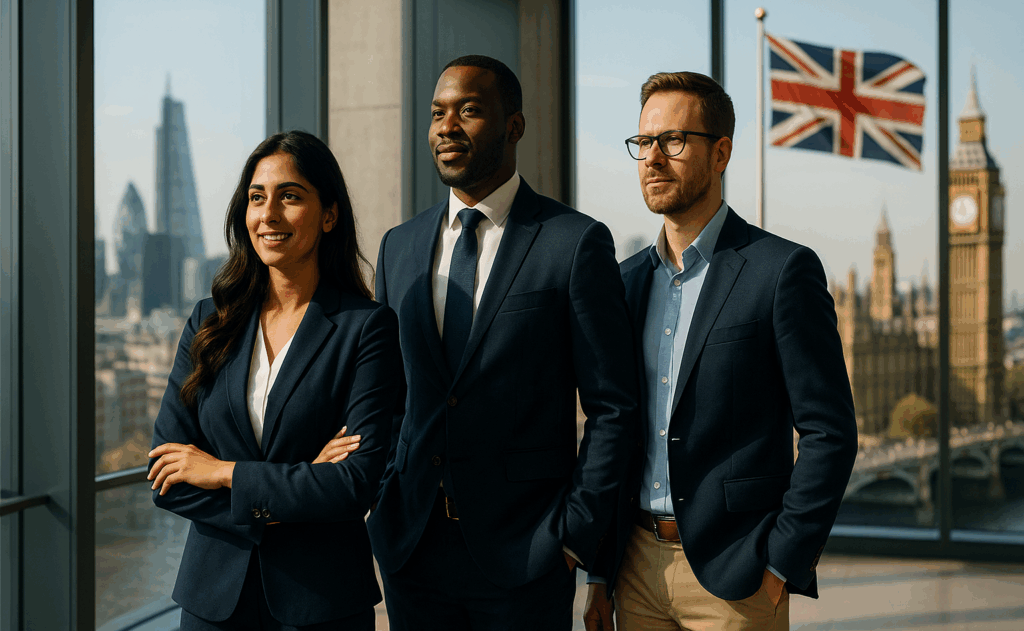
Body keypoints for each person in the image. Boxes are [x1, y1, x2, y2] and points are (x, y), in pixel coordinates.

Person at [366, 54, 638, 631]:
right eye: (438, 113)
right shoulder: (399, 247)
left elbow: (613, 406)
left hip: (528, 556)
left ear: (514, 125)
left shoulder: (573, 242)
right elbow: (390, 399)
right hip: (412, 553)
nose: (446, 127)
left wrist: (572, 536)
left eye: (468, 111)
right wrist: (384, 502)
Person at [583, 72, 859, 631]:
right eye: (643, 143)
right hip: (633, 571)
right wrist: (597, 569)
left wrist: (782, 559)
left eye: (674, 141)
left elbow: (831, 432)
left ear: (721, 153)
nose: (653, 158)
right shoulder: (623, 283)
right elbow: (611, 426)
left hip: (738, 579)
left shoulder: (781, 272)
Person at [148, 130, 404, 630]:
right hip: (212, 603)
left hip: (321, 603)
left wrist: (224, 472)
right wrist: (299, 485)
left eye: (290, 196)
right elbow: (167, 477)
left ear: (329, 215)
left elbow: (354, 485)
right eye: (256, 198)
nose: (268, 214)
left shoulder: (366, 328)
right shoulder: (209, 321)